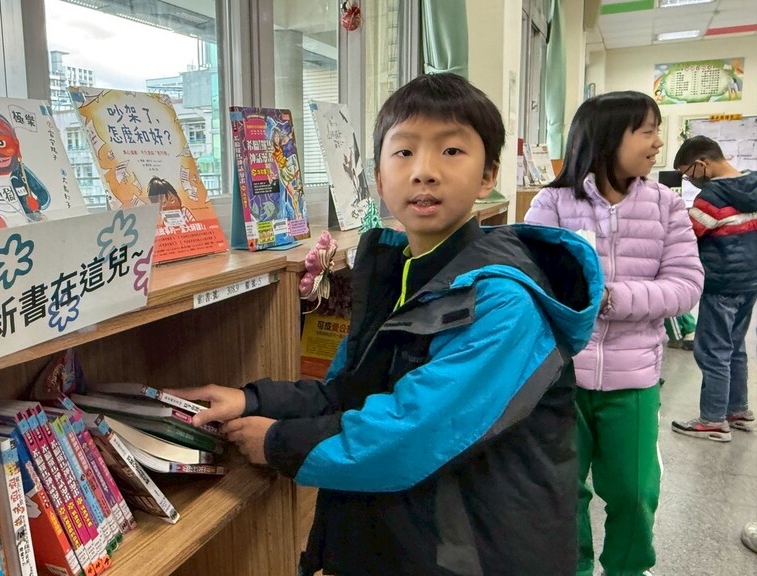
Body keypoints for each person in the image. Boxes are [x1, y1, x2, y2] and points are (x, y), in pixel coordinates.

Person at [175, 72, 604, 576]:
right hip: (409, 541)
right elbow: (347, 392)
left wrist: (277, 443)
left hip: (480, 553)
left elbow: (414, 432)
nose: (424, 172)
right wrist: (252, 400)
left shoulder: (504, 303)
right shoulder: (397, 274)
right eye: (404, 152)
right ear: (378, 178)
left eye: (451, 151)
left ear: (488, 175)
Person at [524, 91, 704, 576]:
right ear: (607, 137)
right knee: (564, 491)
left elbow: (686, 286)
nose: (658, 142)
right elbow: (533, 280)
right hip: (562, 376)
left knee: (635, 490)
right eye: (647, 131)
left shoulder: (666, 205)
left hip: (635, 377)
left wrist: (611, 298)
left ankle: (628, 567)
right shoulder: (552, 203)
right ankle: (574, 568)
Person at [668, 136, 757, 441]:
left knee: (713, 351)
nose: (690, 180)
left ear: (702, 164)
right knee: (735, 346)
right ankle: (737, 409)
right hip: (750, 282)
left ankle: (713, 419)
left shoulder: (713, 197)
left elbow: (686, 234)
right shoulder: (753, 184)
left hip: (721, 284)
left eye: (687, 173)